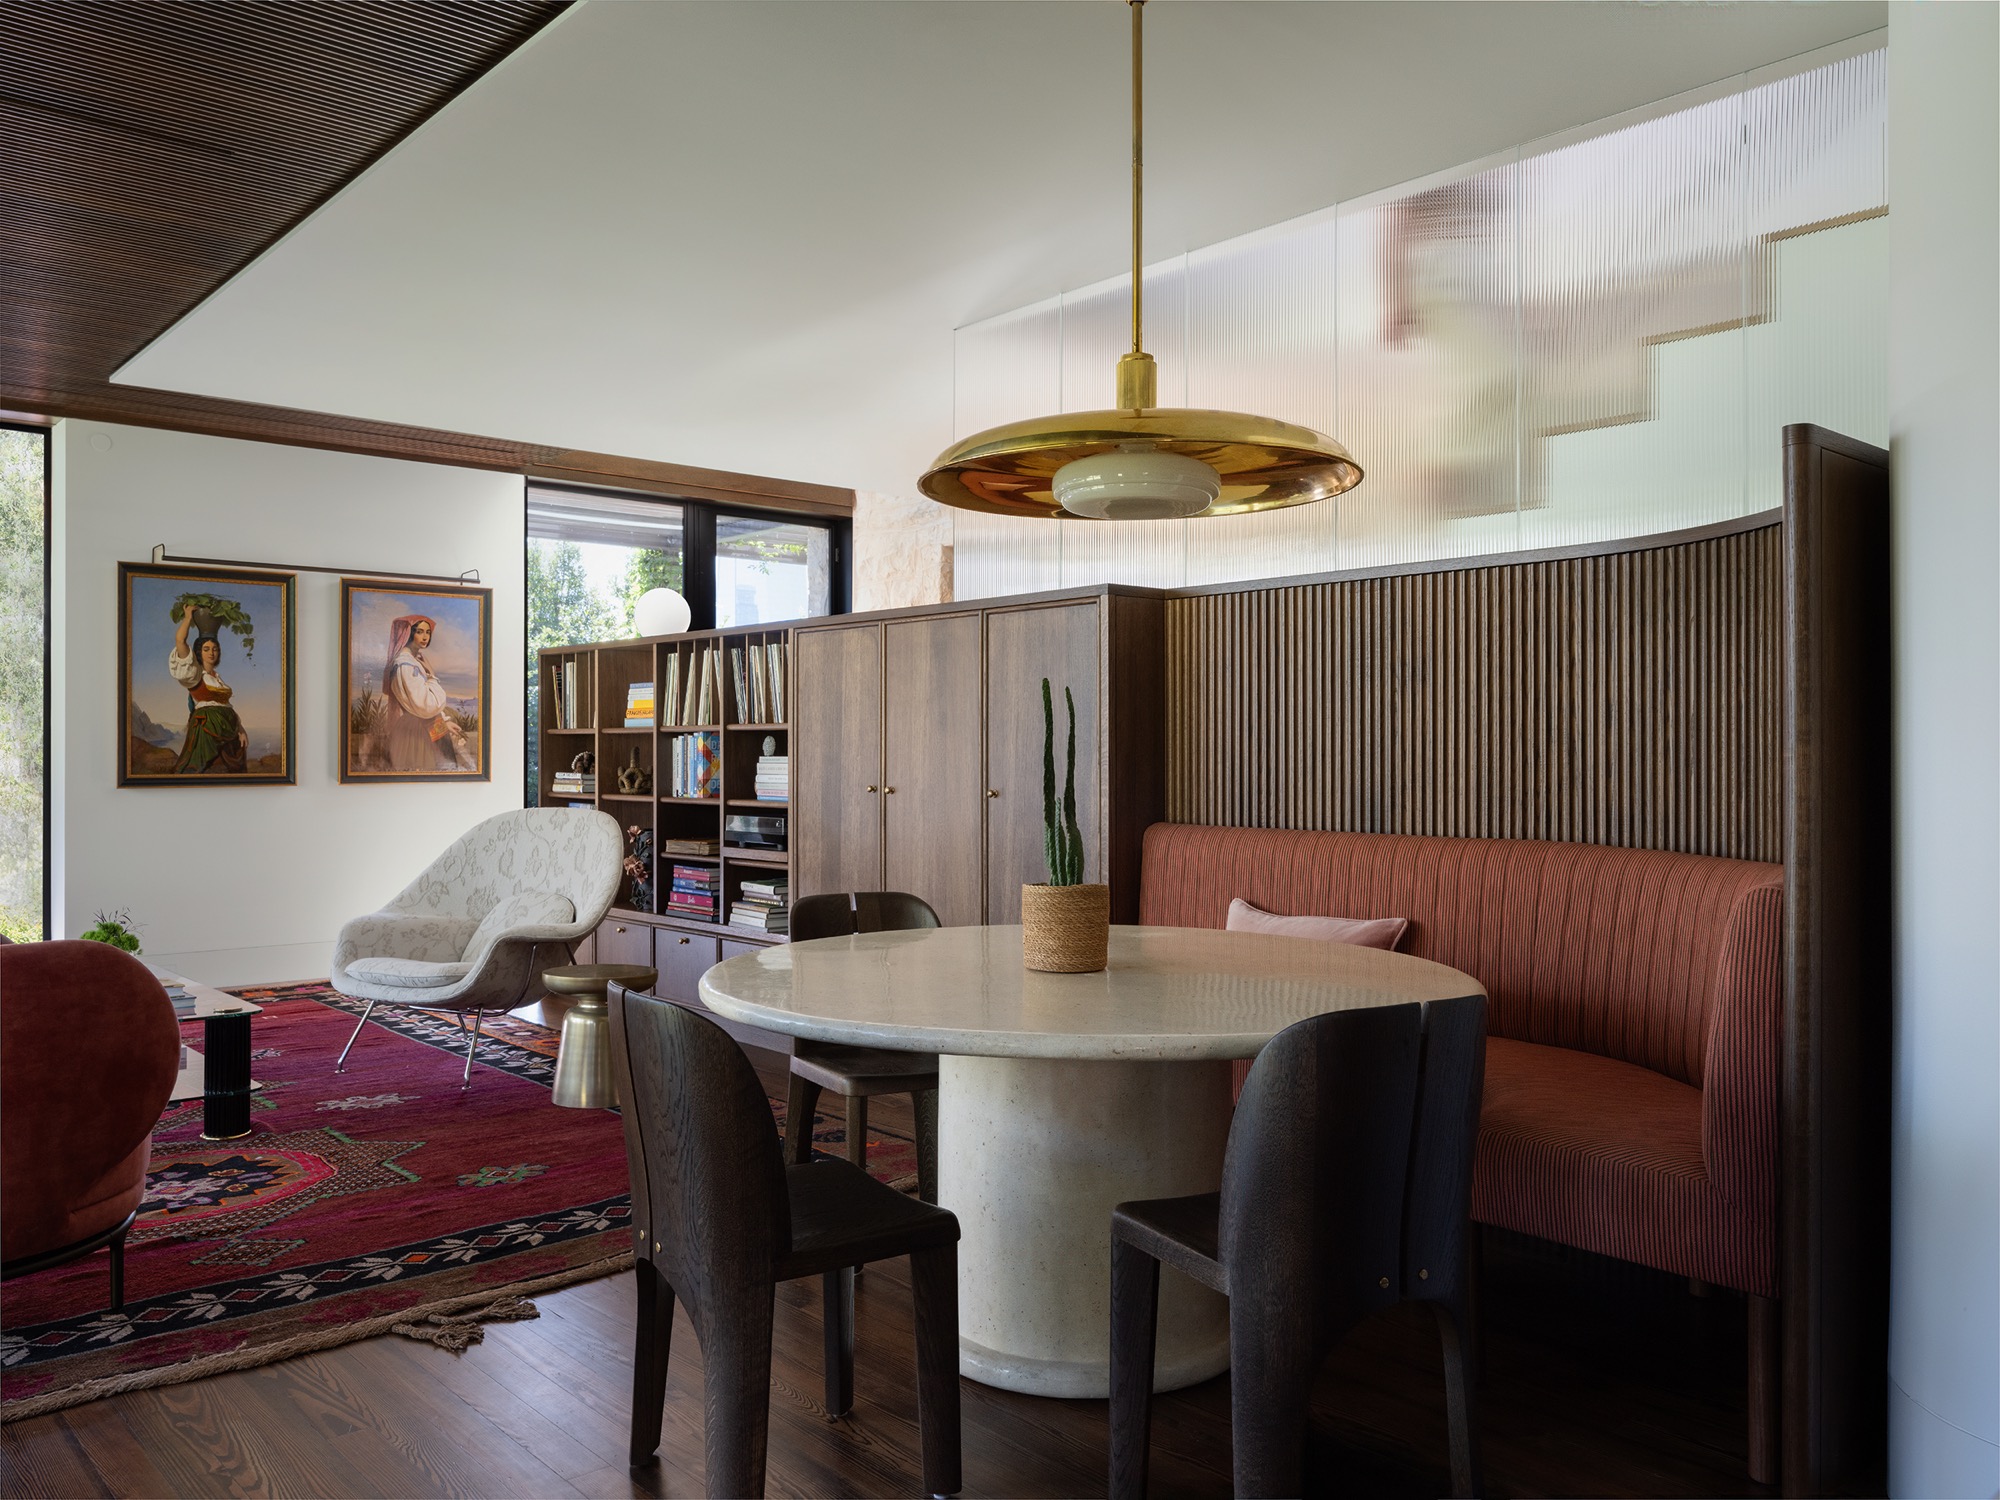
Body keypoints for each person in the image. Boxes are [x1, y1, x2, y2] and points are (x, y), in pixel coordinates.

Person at [373, 614, 475, 773]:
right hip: (417, 730)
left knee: (443, 771)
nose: (425, 637)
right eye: (419, 631)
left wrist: (445, 722)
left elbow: (423, 704)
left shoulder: (413, 661)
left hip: (424, 723)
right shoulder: (405, 665)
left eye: (428, 632)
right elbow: (425, 706)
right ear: (409, 633)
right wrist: (432, 675)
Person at [168, 602, 249, 774]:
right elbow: (180, 641)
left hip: (230, 731)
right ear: (199, 652)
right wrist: (188, 618)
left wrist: (241, 730)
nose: (211, 652)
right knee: (203, 770)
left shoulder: (218, 679)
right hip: (207, 730)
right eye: (206, 649)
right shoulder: (195, 674)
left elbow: (227, 706)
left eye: (215, 649)